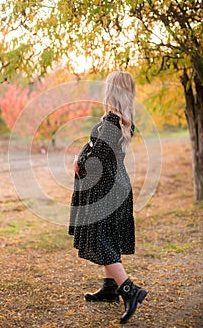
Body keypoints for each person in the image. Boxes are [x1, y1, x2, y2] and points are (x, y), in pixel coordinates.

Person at [68, 71, 147, 324]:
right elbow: (97, 148)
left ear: (112, 90)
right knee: (107, 237)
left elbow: (97, 156)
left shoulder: (114, 122)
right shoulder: (121, 119)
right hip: (116, 187)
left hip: (108, 190)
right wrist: (83, 154)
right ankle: (110, 288)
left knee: (101, 241)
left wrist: (79, 160)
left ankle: (129, 290)